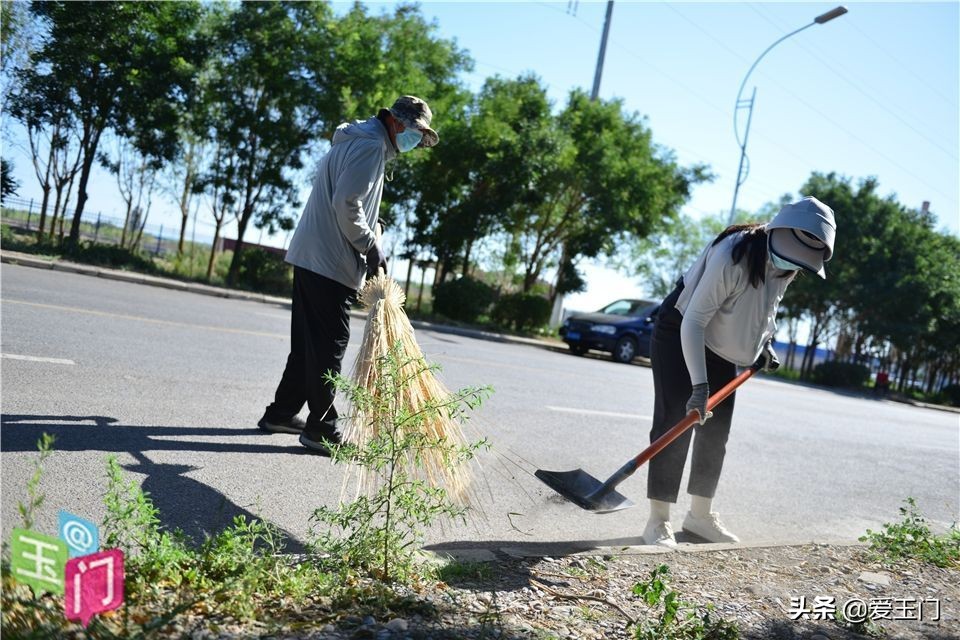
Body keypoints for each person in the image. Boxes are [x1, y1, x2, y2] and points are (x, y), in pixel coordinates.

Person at [642, 196, 836, 546]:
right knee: (675, 421)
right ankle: (658, 521)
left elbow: (765, 309)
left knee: (716, 431)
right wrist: (699, 387)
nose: (793, 263)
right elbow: (694, 321)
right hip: (681, 331)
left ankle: (699, 517)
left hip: (719, 346)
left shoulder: (787, 267)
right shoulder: (733, 253)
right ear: (776, 231)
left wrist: (764, 344)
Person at [258, 96, 439, 453]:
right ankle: (321, 428)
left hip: (313, 253)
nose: (415, 142)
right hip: (330, 261)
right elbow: (346, 202)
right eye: (415, 133)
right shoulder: (372, 146)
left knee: (309, 343)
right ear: (396, 123)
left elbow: (347, 199)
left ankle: (281, 412)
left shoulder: (358, 140)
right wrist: (370, 245)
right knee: (330, 344)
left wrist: (373, 227)